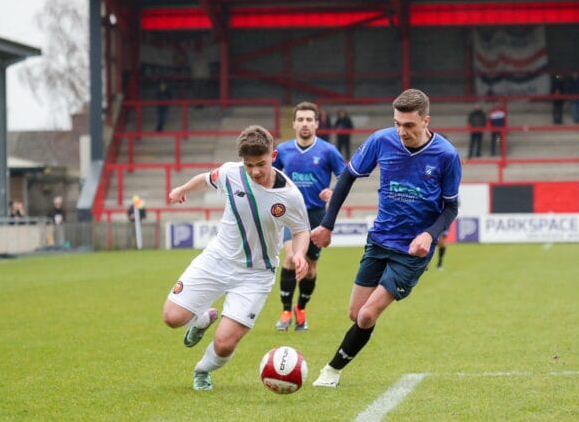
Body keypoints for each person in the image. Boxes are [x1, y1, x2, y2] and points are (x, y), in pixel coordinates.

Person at [310, 88, 461, 388]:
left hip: (412, 252)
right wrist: (327, 224)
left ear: (425, 120)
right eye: (397, 123)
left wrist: (430, 235)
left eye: (409, 125)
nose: (401, 131)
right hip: (379, 240)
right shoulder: (381, 141)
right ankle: (349, 350)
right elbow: (349, 176)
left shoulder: (446, 155)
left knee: (366, 315)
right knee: (355, 313)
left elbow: (451, 206)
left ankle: (331, 371)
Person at [162, 125, 311, 391]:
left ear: (273, 156)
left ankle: (202, 371)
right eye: (249, 164)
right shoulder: (232, 173)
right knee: (172, 317)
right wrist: (182, 189)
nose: (255, 171)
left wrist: (299, 254)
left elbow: (301, 230)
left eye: (261, 164)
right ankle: (202, 319)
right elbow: (207, 178)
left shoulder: (290, 196)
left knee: (224, 342)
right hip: (216, 260)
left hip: (256, 274)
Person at [273, 102, 347, 332]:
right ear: (294, 123)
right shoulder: (283, 150)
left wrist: (333, 192)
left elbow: (345, 177)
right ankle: (285, 312)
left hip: (316, 215)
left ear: (316, 124)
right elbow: (268, 175)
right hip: (291, 213)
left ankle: (301, 310)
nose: (305, 124)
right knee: (291, 258)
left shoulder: (328, 151)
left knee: (311, 267)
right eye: (301, 119)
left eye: (309, 120)